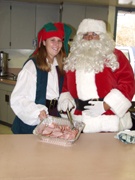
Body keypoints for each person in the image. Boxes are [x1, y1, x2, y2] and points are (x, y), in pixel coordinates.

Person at [58, 18, 135, 133]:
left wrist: (106, 105)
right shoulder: (73, 58)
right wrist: (66, 100)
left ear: (102, 37)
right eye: (86, 34)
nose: (89, 37)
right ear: (80, 38)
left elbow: (128, 84)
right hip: (80, 122)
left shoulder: (116, 56)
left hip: (109, 121)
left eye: (94, 34)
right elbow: (66, 86)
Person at [10, 22, 72, 134]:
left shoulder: (60, 66)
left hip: (53, 118)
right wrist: (37, 112)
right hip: (33, 121)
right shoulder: (32, 66)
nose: (56, 44)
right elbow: (18, 99)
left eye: (59, 41)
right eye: (52, 40)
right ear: (44, 42)